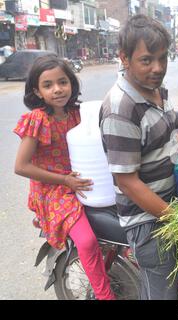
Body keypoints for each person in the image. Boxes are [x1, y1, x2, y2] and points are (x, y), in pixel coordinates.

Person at [13, 55, 115, 300]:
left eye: (62, 82)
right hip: (53, 190)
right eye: (48, 85)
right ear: (37, 91)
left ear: (72, 83)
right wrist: (65, 180)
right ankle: (104, 295)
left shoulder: (78, 114)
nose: (57, 89)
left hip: (82, 181)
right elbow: (21, 166)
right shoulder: (37, 120)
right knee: (88, 241)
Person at [99, 14, 178, 300]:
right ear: (124, 58)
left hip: (169, 207)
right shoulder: (121, 108)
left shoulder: (157, 91)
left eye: (163, 58)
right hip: (148, 221)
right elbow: (127, 181)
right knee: (164, 294)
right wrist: (177, 220)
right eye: (147, 60)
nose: (158, 68)